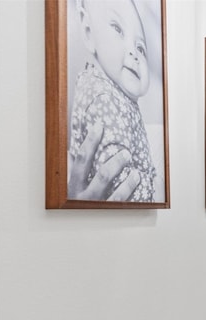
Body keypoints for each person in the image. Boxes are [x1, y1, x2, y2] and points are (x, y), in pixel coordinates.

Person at [68, 0, 156, 202]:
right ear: (89, 31)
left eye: (141, 48)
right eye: (117, 28)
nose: (134, 53)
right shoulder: (102, 96)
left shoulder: (119, 97)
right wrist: (153, 187)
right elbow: (117, 179)